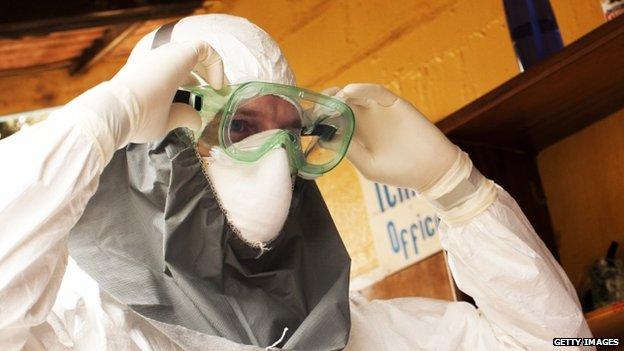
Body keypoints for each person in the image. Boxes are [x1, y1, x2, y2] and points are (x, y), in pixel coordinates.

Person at [0, 14, 592, 351]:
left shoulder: (355, 334)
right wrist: (102, 120)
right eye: (241, 126)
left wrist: (458, 190)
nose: (278, 168)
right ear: (147, 148)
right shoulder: (79, 332)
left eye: (292, 134)